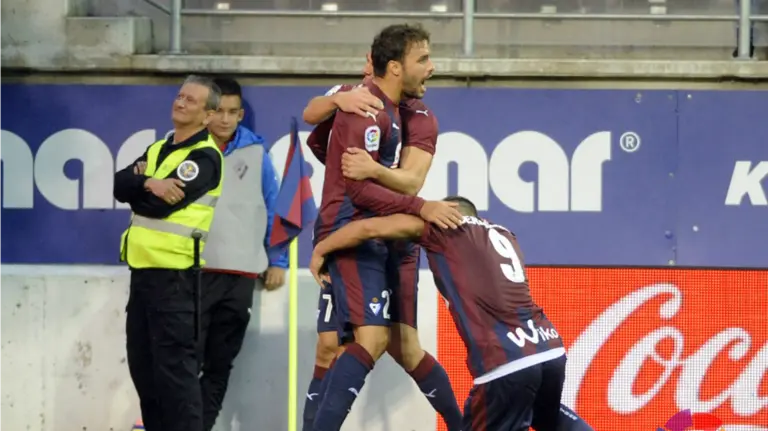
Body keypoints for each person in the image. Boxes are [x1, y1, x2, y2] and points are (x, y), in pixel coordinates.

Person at [309, 23, 464, 431]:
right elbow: (315, 130)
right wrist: (340, 101)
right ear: (393, 67)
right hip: (354, 230)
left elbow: (410, 181)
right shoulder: (361, 105)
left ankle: (462, 426)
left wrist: (378, 173)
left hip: (383, 231)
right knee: (336, 345)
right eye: (424, 59)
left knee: (402, 346)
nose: (432, 67)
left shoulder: (418, 116)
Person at [309, 196, 569, 431]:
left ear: (448, 213)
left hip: (506, 361)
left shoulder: (443, 231)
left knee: (387, 344)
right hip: (550, 348)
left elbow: (369, 228)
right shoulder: (505, 234)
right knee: (549, 420)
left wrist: (320, 249)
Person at [113, 75, 224, 431]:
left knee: (176, 379)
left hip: (174, 281)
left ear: (208, 116)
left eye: (192, 100)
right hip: (143, 276)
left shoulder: (204, 157)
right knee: (144, 373)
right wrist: (148, 182)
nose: (181, 102)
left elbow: (157, 208)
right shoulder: (159, 149)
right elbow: (119, 184)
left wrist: (142, 187)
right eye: (180, 96)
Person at [192, 76, 287, 431]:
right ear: (205, 111)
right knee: (185, 362)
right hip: (194, 273)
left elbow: (274, 207)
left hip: (240, 277)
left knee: (219, 364)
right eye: (218, 111)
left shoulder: (257, 154)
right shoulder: (183, 150)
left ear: (241, 114)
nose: (225, 119)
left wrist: (277, 260)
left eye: (233, 112)